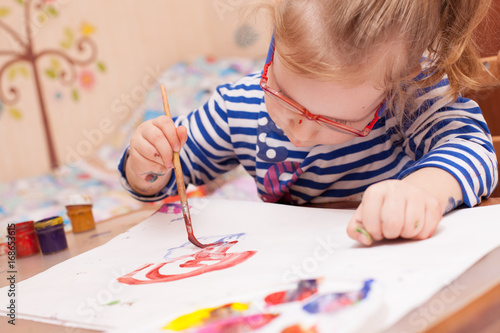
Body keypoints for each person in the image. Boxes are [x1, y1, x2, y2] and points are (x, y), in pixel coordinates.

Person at [119, 0, 498, 245]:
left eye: (334, 120)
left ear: (393, 90)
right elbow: (169, 181)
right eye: (282, 94)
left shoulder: (410, 99)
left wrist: (423, 191)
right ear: (273, 51)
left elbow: (474, 149)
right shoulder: (238, 107)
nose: (298, 129)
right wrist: (147, 162)